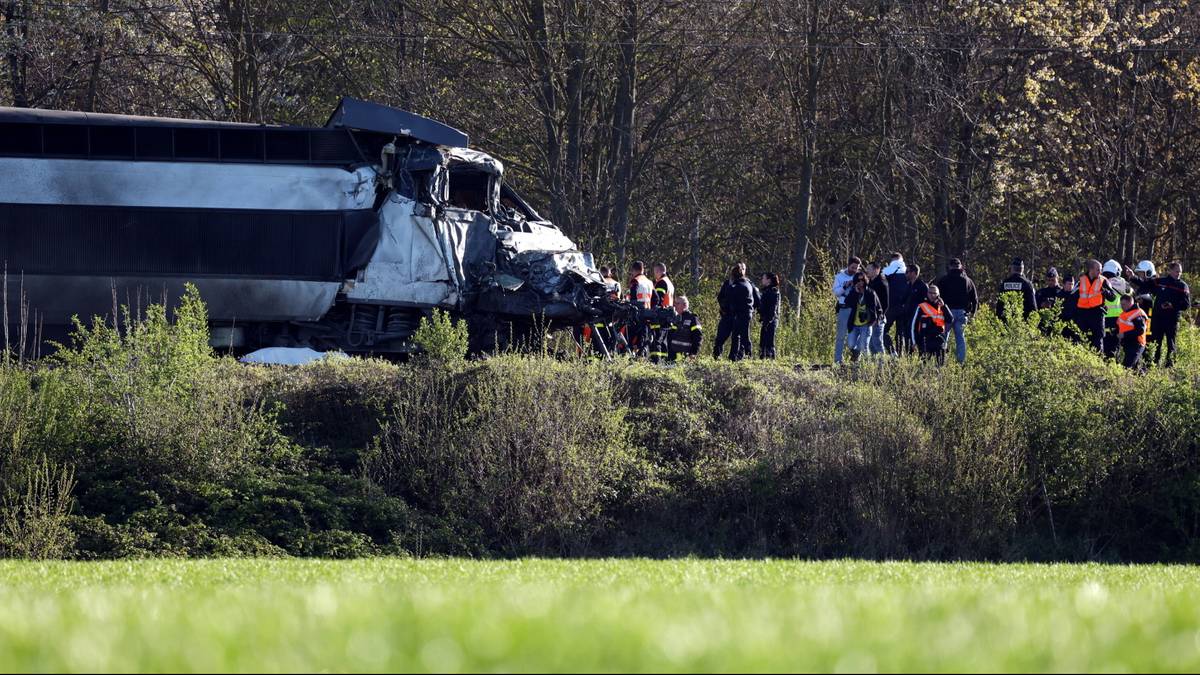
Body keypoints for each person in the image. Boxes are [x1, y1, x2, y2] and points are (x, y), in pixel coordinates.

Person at [1127, 261, 1191, 367]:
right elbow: (1145, 285)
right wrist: (1133, 277)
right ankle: (1153, 365)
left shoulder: (1183, 286)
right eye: (1176, 271)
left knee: (1171, 344)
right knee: (1156, 343)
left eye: (1180, 272)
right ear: (1170, 271)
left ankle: (1170, 366)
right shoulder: (1160, 282)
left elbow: (1186, 305)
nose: (1178, 274)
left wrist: (1172, 305)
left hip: (1172, 320)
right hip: (1158, 318)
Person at [933, 258, 978, 363]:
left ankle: (941, 360)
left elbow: (937, 297)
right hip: (962, 313)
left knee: (944, 337)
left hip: (947, 313)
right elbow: (975, 299)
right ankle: (960, 362)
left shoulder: (944, 280)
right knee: (960, 339)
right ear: (961, 266)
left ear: (949, 267)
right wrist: (973, 313)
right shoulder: (967, 280)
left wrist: (937, 311)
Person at [1071, 259, 1116, 353]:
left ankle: (1098, 362)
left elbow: (1113, 297)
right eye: (1098, 269)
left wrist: (1106, 292)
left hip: (1097, 313)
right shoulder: (1081, 280)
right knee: (1078, 337)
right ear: (1091, 269)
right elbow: (1072, 296)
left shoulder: (1104, 281)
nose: (1100, 272)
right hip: (1082, 314)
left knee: (1098, 340)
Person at [714, 263, 756, 361]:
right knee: (731, 337)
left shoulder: (739, 285)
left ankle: (735, 358)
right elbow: (721, 297)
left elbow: (730, 299)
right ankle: (723, 357)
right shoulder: (731, 284)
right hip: (731, 315)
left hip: (738, 314)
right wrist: (724, 309)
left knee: (738, 337)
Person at [911, 284, 956, 366]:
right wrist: (914, 342)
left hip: (939, 341)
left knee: (940, 366)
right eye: (930, 293)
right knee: (923, 366)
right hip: (925, 341)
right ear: (927, 293)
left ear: (938, 295)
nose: (932, 295)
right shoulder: (921, 307)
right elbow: (913, 325)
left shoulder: (942, 307)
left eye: (934, 293)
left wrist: (944, 307)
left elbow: (950, 319)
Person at [843, 271, 882, 362]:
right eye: (858, 280)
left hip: (867, 324)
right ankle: (856, 355)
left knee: (863, 346)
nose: (860, 282)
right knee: (850, 344)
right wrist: (855, 293)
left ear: (865, 281)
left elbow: (879, 308)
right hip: (854, 323)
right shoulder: (853, 292)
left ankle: (866, 365)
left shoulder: (870, 292)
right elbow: (847, 302)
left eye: (862, 280)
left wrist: (877, 319)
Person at [832, 256, 862, 364]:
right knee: (841, 335)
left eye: (856, 268)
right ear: (848, 265)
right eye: (853, 267)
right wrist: (845, 286)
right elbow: (836, 293)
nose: (854, 270)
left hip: (856, 309)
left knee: (857, 334)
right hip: (844, 308)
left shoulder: (859, 277)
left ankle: (855, 358)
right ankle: (838, 360)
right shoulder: (839, 277)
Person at [647, 263, 676, 362]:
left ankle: (656, 362)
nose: (654, 275)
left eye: (655, 272)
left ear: (659, 271)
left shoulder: (661, 282)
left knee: (656, 341)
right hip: (667, 315)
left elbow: (658, 299)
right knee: (663, 342)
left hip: (660, 315)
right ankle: (664, 361)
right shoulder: (669, 282)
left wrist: (652, 310)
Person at [882, 253, 910, 355]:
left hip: (890, 307)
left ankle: (892, 352)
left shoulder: (886, 271)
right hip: (905, 307)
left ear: (892, 260)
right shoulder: (908, 271)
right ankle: (900, 355)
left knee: (882, 331)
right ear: (902, 260)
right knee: (900, 333)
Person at [898, 263, 928, 356]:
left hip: (917, 318)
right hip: (907, 316)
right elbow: (903, 299)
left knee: (918, 338)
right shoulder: (908, 285)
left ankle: (922, 358)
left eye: (907, 272)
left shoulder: (922, 286)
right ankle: (908, 357)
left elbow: (926, 302)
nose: (906, 274)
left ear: (914, 273)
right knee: (907, 337)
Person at [1101, 259, 1128, 359]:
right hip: (1118, 319)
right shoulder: (1124, 283)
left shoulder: (1100, 281)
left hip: (1102, 317)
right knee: (1114, 348)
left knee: (1101, 346)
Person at [996, 257, 1037, 321]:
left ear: (1012, 268)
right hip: (1022, 323)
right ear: (1022, 269)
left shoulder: (1005, 283)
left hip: (1006, 322)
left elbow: (999, 306)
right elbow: (1032, 306)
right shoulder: (1027, 284)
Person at [1116, 293, 1150, 370]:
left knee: (1127, 367)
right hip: (1128, 344)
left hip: (1136, 344)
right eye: (1121, 304)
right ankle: (1145, 378)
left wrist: (1124, 334)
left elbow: (1140, 330)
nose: (1122, 306)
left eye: (1123, 304)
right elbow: (1121, 326)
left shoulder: (1138, 313)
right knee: (1135, 369)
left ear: (1130, 303)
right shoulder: (1124, 314)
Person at [666, 295, 703, 361]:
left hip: (686, 357)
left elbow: (698, 337)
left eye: (677, 303)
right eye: (675, 304)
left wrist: (693, 353)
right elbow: (670, 337)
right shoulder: (676, 319)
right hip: (673, 357)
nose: (675, 306)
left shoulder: (692, 318)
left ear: (684, 305)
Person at [866, 262, 890, 356]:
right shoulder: (871, 282)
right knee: (871, 344)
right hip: (871, 317)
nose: (867, 271)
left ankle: (882, 366)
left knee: (877, 343)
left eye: (869, 269)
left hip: (878, 319)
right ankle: (875, 366)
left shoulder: (882, 283)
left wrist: (878, 318)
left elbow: (885, 304)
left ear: (877, 270)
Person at [758, 272, 781, 359]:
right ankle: (762, 359)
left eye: (763, 278)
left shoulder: (774, 291)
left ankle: (770, 360)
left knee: (769, 342)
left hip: (771, 320)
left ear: (769, 280)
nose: (762, 280)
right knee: (763, 341)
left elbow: (773, 308)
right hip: (766, 319)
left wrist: (768, 320)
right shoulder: (766, 291)